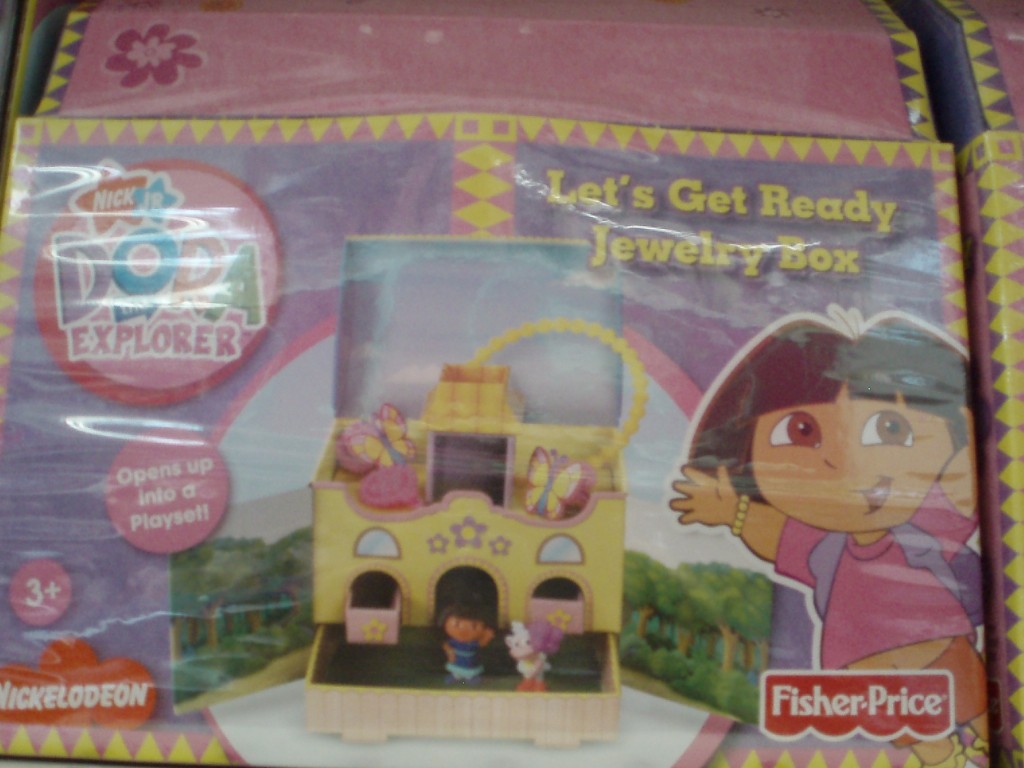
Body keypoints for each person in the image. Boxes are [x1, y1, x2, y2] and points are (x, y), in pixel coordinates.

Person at [670, 306, 987, 768]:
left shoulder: (929, 524)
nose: (841, 462)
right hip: (860, 667)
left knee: (963, 691)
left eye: (890, 428)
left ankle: (975, 742)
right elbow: (779, 537)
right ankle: (941, 757)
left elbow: (962, 488)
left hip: (935, 640)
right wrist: (733, 510)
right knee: (905, 726)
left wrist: (968, 432)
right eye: (801, 431)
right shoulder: (830, 549)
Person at [440, 603, 495, 685]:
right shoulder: (454, 641)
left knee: (469, 672)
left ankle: (470, 678)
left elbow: (482, 643)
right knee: (456, 671)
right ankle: (456, 676)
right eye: (457, 624)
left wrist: (486, 637)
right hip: (456, 660)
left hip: (469, 662)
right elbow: (446, 645)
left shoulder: (473, 643)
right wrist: (449, 651)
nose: (464, 630)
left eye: (474, 626)